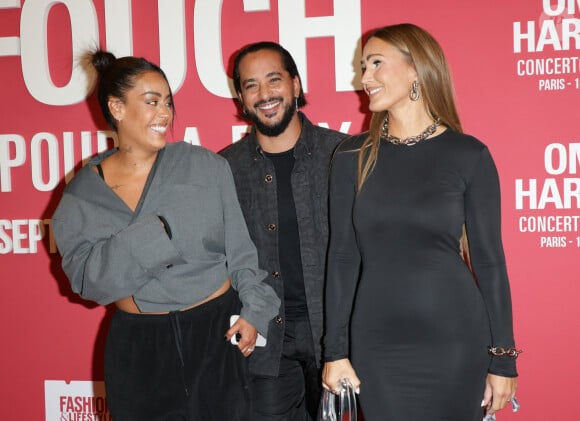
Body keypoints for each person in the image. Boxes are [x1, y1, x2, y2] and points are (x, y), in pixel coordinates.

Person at [52, 50, 280, 421]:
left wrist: (254, 312)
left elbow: (242, 255)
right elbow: (88, 283)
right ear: (117, 107)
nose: (165, 113)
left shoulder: (206, 165)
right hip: (139, 348)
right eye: (151, 101)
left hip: (215, 338)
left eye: (168, 102)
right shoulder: (83, 194)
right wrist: (155, 234)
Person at [321, 24, 520, 421]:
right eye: (363, 67)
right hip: (377, 345)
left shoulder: (469, 155)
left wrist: (503, 358)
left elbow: (490, 262)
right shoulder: (350, 156)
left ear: (416, 70)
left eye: (376, 63)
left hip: (456, 339)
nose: (364, 79)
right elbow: (342, 258)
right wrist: (334, 352)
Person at [220, 41, 347, 420]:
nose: (264, 94)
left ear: (295, 84)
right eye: (251, 85)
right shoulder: (224, 169)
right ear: (241, 98)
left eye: (273, 80)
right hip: (265, 339)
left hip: (338, 336)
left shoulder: (343, 155)